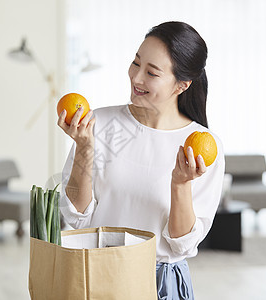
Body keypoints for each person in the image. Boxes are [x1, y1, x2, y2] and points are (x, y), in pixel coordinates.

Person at [57, 21, 225, 300]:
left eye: (152, 72)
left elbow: (181, 244)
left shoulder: (201, 147)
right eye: (136, 63)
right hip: (97, 273)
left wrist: (180, 183)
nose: (136, 78)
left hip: (159, 284)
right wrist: (85, 149)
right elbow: (76, 215)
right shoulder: (99, 124)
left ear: (181, 85)